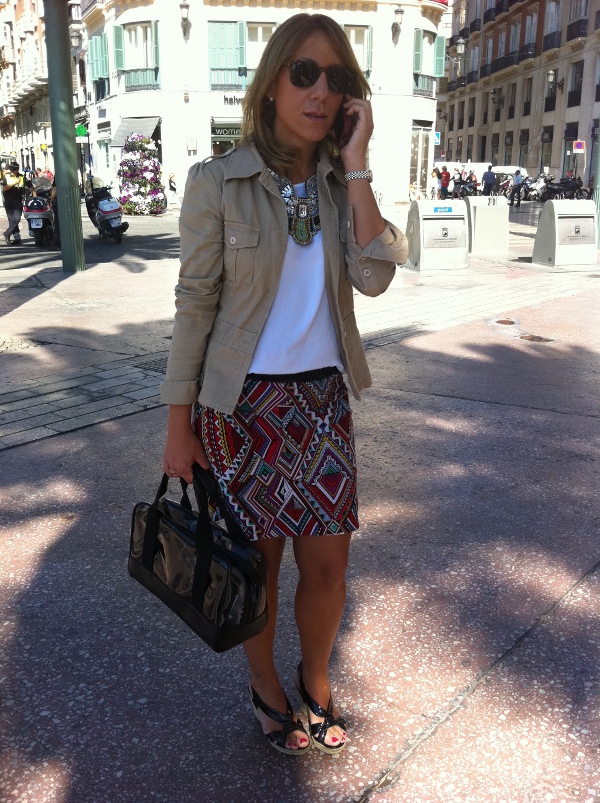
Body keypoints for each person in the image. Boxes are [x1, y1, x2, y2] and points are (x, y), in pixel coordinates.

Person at [160, 12, 406, 757]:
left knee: (328, 565)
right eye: (304, 73)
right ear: (271, 84)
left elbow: (376, 276)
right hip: (243, 406)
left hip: (321, 402)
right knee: (258, 569)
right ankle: (266, 685)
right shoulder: (217, 183)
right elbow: (194, 305)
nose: (319, 91)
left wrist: (357, 162)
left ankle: (316, 680)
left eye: (337, 78)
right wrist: (178, 425)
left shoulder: (339, 182)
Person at [2, 162, 30, 245]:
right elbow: (4, 188)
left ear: (17, 169)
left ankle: (7, 233)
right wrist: (14, 183)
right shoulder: (6, 176)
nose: (12, 171)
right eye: (11, 169)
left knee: (17, 219)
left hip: (18, 201)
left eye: (14, 169)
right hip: (8, 201)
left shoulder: (22, 177)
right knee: (11, 220)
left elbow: (31, 186)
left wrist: (35, 196)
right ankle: (17, 238)